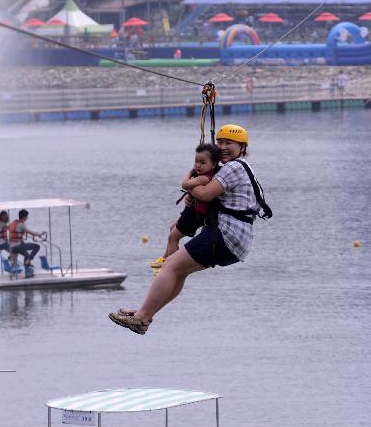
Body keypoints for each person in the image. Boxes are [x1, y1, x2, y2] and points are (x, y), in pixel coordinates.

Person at [110, 124, 271, 335]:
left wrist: (193, 189)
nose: (223, 147)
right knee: (178, 272)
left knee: (170, 266)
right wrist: (194, 195)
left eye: (229, 143)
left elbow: (204, 195)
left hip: (226, 234)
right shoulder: (233, 167)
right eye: (220, 142)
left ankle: (141, 317)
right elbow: (212, 196)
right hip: (235, 240)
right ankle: (144, 316)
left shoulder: (234, 167)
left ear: (242, 147)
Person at [150, 143, 221, 272]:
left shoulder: (204, 179)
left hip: (195, 216)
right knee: (172, 228)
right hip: (192, 212)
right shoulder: (204, 176)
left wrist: (190, 172)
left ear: (213, 165)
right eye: (196, 161)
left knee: (173, 238)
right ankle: (165, 258)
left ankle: (169, 267)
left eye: (202, 162)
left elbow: (184, 184)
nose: (198, 165)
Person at [9, 209, 46, 277]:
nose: (27, 218)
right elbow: (31, 233)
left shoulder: (13, 223)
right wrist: (40, 234)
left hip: (12, 247)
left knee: (27, 255)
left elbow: (17, 233)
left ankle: (28, 273)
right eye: (27, 217)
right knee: (37, 246)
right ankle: (28, 261)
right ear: (24, 217)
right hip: (18, 246)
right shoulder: (21, 225)